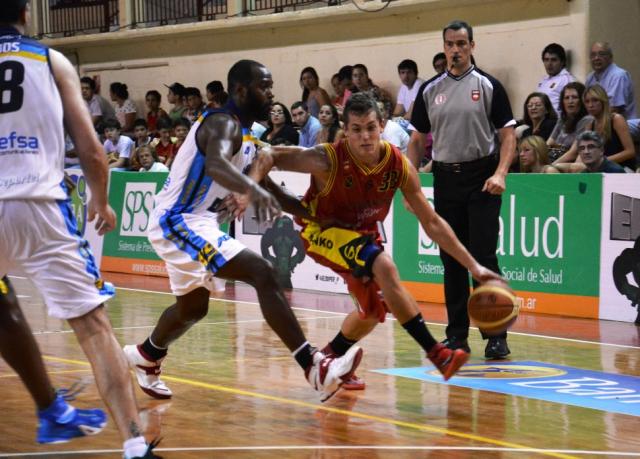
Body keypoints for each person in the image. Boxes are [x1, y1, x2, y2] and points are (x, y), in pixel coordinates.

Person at [123, 59, 362, 404]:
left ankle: (146, 355)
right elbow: (216, 164)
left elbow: (271, 189)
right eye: (263, 87)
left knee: (193, 309)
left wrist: (315, 216)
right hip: (178, 220)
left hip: (198, 222)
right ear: (240, 90)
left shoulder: (249, 136)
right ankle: (314, 366)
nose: (271, 94)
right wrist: (254, 191)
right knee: (261, 271)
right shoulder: (222, 123)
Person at [237, 93, 503, 388]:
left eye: (371, 128)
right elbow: (269, 154)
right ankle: (438, 354)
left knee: (373, 310)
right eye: (356, 129)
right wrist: (248, 189)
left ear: (382, 125)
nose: (365, 136)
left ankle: (330, 360)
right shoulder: (327, 158)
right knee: (384, 266)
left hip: (362, 234)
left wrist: (474, 267)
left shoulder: (398, 164)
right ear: (345, 130)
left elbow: (432, 222)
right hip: (322, 231)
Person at [0, 2, 158, 457]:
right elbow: (90, 148)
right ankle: (134, 444)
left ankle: (52, 410)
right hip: (39, 205)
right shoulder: (50, 60)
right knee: (93, 328)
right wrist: (101, 200)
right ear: (26, 13)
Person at [408, 20, 517, 360]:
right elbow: (416, 141)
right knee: (451, 259)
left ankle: (496, 335)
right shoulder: (429, 90)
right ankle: (456, 336)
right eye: (450, 44)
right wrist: (410, 185)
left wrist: (501, 173)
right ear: (444, 48)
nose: (456, 49)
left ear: (472, 46)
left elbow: (508, 136)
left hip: (482, 179)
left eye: (461, 43)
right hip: (446, 179)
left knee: (484, 257)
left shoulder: (489, 85)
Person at [554, 84, 636, 170]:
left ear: (603, 101)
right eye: (587, 101)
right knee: (557, 168)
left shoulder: (616, 119)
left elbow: (630, 152)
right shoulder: (590, 125)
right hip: (599, 168)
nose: (591, 105)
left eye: (595, 100)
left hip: (622, 168)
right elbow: (580, 156)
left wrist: (601, 162)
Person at [585, 42, 636, 119]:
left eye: (601, 54)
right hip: (598, 121)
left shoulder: (618, 75)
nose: (596, 58)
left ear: (610, 57)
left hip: (620, 123)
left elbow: (614, 109)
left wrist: (592, 122)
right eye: (593, 55)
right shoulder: (590, 77)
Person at [546, 82, 590, 161]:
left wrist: (550, 166)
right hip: (553, 157)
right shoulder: (562, 119)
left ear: (582, 100)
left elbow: (573, 153)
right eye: (566, 98)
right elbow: (549, 143)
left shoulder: (586, 120)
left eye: (574, 97)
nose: (570, 101)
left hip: (567, 162)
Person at [556, 131, 626, 173]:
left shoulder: (615, 172)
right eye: (582, 148)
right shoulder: (583, 174)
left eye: (591, 147)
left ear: (601, 150)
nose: (586, 152)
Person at [536, 43, 576, 116]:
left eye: (553, 60)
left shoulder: (567, 80)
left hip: (555, 120)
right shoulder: (543, 80)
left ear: (562, 62)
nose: (549, 63)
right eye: (546, 60)